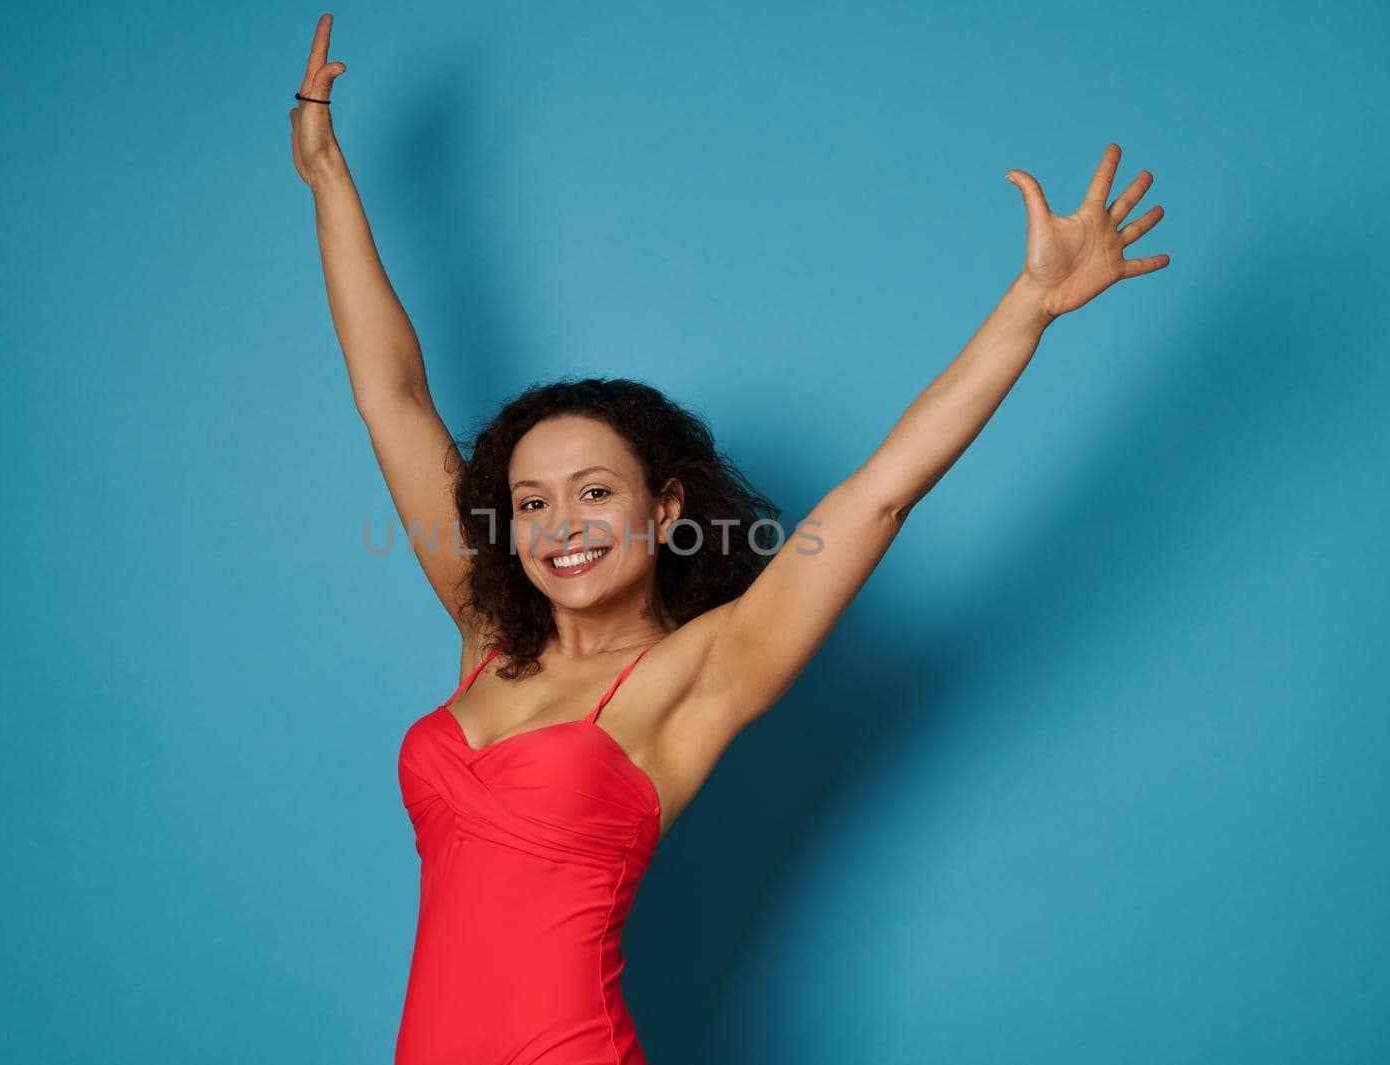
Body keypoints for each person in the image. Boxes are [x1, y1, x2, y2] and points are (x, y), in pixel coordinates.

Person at [288, 13, 1170, 1064]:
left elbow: (879, 495)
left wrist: (1029, 306)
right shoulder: (486, 626)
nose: (560, 525)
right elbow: (392, 398)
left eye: (592, 492)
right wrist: (328, 179)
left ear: (663, 511)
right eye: (530, 503)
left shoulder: (701, 672)